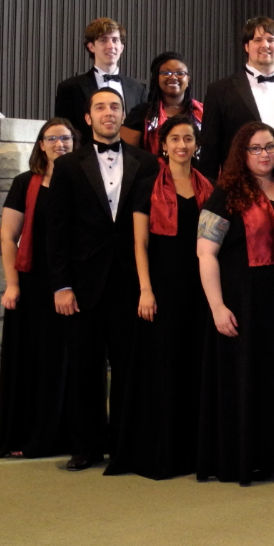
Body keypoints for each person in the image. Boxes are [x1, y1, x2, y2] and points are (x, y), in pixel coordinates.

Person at [196, 123, 274, 485]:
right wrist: (217, 306)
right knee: (248, 380)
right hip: (244, 304)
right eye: (256, 149)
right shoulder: (225, 194)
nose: (265, 155)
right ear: (241, 155)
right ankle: (248, 457)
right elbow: (205, 253)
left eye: (270, 147)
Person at [47, 88, 159, 471]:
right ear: (88, 117)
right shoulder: (66, 166)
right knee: (84, 367)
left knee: (130, 367)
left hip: (131, 283)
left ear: (123, 116)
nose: (108, 113)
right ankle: (86, 446)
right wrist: (61, 285)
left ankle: (126, 444)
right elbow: (56, 232)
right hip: (82, 285)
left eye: (115, 107)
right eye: (100, 107)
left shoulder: (148, 163)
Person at [105, 114, 213, 480]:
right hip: (162, 290)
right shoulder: (146, 185)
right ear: (163, 145)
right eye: (175, 139)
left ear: (196, 146)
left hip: (200, 290)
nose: (182, 145)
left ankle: (194, 451)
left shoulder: (208, 188)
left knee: (194, 367)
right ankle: (163, 451)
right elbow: (140, 243)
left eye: (189, 139)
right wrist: (145, 290)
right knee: (164, 368)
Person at [0, 119, 76, 459]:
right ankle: (31, 436)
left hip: (73, 283)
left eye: (66, 138)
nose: (60, 144)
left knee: (67, 362)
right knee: (36, 362)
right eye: (53, 139)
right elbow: (8, 235)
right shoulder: (23, 183)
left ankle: (67, 437)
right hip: (33, 283)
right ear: (41, 145)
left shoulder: (83, 182)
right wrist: (12, 284)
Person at [197, 17, 274, 178]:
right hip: (240, 185)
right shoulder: (220, 90)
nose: (265, 45)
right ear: (247, 46)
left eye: (271, 40)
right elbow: (210, 150)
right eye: (258, 40)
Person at [54, 18, 148, 148]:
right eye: (103, 40)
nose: (111, 46)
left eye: (115, 40)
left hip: (129, 163)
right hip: (84, 162)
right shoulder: (70, 88)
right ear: (91, 46)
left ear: (122, 47)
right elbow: (64, 131)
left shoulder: (138, 89)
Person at [121, 51, 204, 156]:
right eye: (166, 73)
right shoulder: (141, 113)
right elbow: (127, 156)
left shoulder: (204, 112)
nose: (173, 77)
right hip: (153, 171)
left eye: (180, 73)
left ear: (188, 79)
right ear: (157, 79)